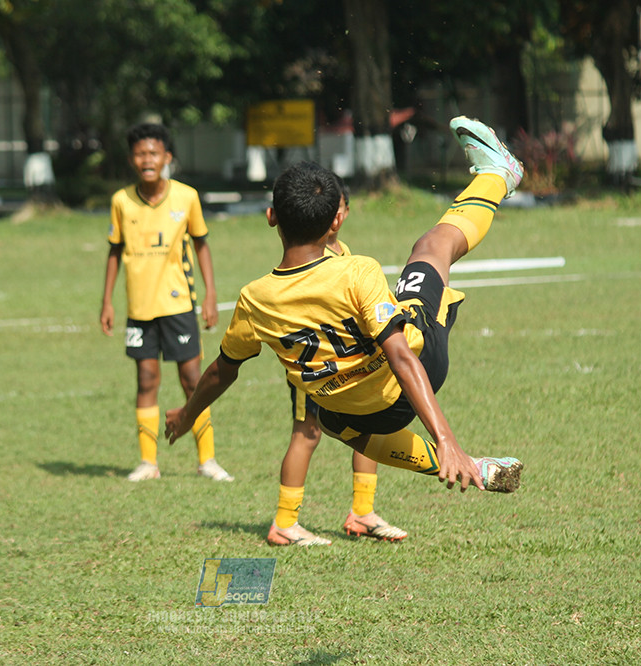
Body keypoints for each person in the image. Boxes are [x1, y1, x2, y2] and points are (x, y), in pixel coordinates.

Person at [166, 117, 524, 530]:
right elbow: (400, 356)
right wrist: (446, 439)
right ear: (336, 221)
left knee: (331, 419)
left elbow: (220, 372)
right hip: (416, 375)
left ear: (271, 217)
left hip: (356, 417)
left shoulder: (254, 299)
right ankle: (498, 174)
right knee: (432, 246)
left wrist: (188, 413)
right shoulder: (357, 271)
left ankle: (473, 468)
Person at [269, 174, 408, 547]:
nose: (336, 213)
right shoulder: (307, 256)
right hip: (317, 366)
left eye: (340, 205)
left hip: (350, 365)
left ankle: (362, 512)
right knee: (307, 433)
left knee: (372, 425)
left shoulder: (343, 253)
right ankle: (285, 522)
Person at [100, 123, 232, 482]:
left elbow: (201, 245)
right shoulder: (121, 201)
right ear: (131, 159)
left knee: (192, 380)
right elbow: (114, 252)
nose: (147, 160)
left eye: (153, 153)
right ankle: (148, 463)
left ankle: (207, 460)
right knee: (146, 380)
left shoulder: (186, 197)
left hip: (179, 306)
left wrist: (210, 294)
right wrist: (107, 301)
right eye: (140, 154)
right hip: (140, 309)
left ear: (167, 157)